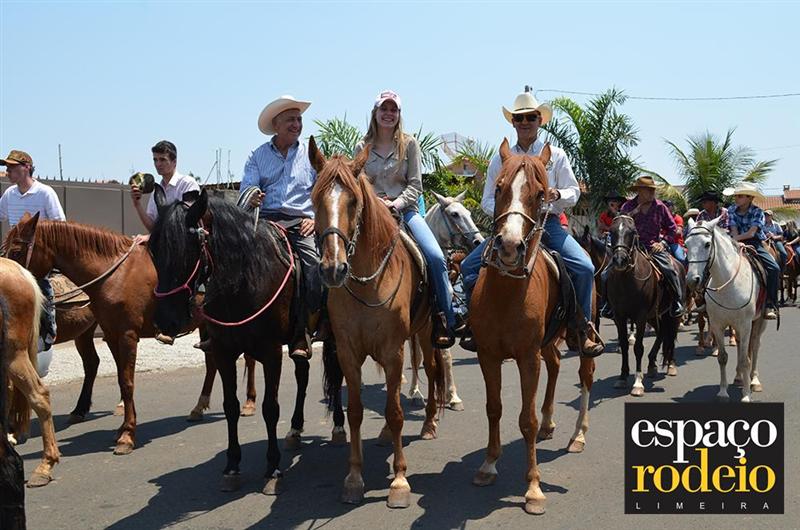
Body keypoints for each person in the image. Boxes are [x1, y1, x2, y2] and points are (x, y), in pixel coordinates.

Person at [460, 88, 603, 357]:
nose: (525, 122)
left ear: (540, 120)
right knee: (468, 267)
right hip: (510, 225)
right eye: (519, 118)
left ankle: (582, 328)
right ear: (513, 122)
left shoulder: (556, 155)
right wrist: (507, 212)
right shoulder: (500, 159)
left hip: (548, 224)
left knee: (584, 267)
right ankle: (474, 325)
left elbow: (574, 191)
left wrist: (557, 194)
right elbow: (487, 199)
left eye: (531, 117)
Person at [354, 90, 455, 348]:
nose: (388, 114)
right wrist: (376, 203)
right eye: (384, 109)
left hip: (405, 211)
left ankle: (444, 316)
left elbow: (415, 185)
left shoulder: (410, 144)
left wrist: (396, 203)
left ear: (399, 114)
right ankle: (328, 321)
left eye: (393, 110)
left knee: (435, 256)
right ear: (375, 113)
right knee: (340, 251)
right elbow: (358, 184)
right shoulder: (361, 147)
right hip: (371, 214)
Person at [241, 95, 322, 359]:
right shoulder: (258, 156)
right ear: (276, 125)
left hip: (301, 222)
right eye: (290, 120)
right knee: (234, 261)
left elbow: (323, 193)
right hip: (267, 221)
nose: (296, 124)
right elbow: (247, 189)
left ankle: (306, 329)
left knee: (313, 266)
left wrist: (315, 218)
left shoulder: (310, 155)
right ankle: (228, 327)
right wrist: (253, 196)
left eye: (299, 119)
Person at [0, 149, 65, 351]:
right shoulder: (9, 194)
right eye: (7, 168)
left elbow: (60, 225)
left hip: (39, 253)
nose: (8, 172)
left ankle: (49, 328)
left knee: (40, 281)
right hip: (15, 251)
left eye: (12, 167)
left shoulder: (45, 193)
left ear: (27, 167)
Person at [619, 176, 686, 317]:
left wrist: (663, 243)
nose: (652, 193)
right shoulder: (627, 206)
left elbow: (673, 229)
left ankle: (677, 301)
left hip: (652, 247)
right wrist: (633, 213)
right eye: (649, 190)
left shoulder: (660, 207)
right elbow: (620, 225)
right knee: (608, 272)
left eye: (652, 190)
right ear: (639, 191)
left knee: (670, 270)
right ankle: (607, 304)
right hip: (630, 247)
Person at [723, 183, 779, 319]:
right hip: (735, 241)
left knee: (774, 268)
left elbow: (751, 233)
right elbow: (734, 229)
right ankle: (705, 299)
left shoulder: (757, 212)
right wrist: (735, 242)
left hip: (754, 242)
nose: (736, 198)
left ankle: (770, 304)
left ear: (750, 198)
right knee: (714, 261)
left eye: (740, 196)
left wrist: (735, 239)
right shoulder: (731, 210)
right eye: (736, 195)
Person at [130, 140, 200, 233]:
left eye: (162, 159)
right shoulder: (156, 191)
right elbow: (152, 228)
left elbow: (186, 224)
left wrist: (150, 237)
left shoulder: (187, 184)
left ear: (174, 162)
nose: (158, 164)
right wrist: (137, 204)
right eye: (155, 160)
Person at [663, 200, 687, 267]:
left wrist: (666, 235)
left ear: (672, 207)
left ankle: (684, 272)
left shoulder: (677, 218)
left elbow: (678, 232)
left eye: (668, 206)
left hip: (675, 243)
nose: (666, 208)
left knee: (681, 259)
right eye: (664, 206)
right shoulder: (660, 218)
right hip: (662, 242)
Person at [763, 209, 787, 274]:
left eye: (768, 215)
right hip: (765, 241)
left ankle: (783, 269)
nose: (766, 217)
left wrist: (774, 236)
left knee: (783, 253)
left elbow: (781, 236)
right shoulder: (762, 224)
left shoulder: (776, 224)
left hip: (776, 241)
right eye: (765, 215)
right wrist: (765, 235)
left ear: (771, 216)